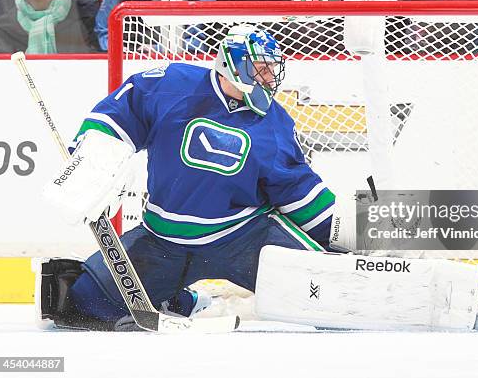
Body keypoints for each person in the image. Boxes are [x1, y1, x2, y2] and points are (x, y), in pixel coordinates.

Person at [38, 25, 335, 330]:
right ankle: (177, 300)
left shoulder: (274, 123)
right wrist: (92, 160)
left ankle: (170, 295)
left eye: (271, 69)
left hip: (245, 236)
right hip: (162, 240)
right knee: (80, 304)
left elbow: (297, 189)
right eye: (261, 69)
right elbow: (118, 115)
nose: (270, 78)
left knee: (329, 295)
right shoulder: (172, 85)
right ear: (233, 66)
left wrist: (345, 235)